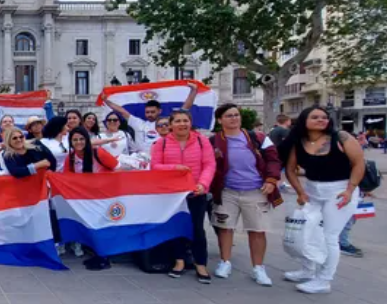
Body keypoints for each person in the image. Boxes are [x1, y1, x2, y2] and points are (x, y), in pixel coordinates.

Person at [280, 105, 365, 294]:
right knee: (307, 232)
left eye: (324, 117)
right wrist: (300, 192)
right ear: (304, 121)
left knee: (329, 236)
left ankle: (324, 280)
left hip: (340, 191)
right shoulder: (298, 141)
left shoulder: (341, 137)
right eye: (315, 117)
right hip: (312, 190)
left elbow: (359, 163)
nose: (321, 120)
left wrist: (350, 190)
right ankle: (308, 270)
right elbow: (290, 169)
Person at [209, 103, 282, 287]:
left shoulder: (258, 137)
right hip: (227, 191)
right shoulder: (214, 141)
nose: (233, 118)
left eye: (236, 115)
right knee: (225, 228)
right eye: (229, 116)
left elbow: (273, 159)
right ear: (220, 120)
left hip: (256, 190)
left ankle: (258, 267)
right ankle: (225, 262)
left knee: (257, 230)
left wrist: (271, 180)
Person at [150, 109, 216, 283]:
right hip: (173, 194)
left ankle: (200, 263)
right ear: (171, 125)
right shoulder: (161, 143)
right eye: (177, 121)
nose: (182, 124)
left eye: (185, 120)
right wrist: (174, 168)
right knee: (177, 228)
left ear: (190, 122)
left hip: (196, 192)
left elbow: (209, 164)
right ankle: (179, 262)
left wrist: (203, 184)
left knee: (197, 229)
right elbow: (155, 166)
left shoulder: (202, 141)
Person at [66, 128, 120, 270]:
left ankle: (104, 256)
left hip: (104, 195)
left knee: (102, 224)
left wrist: (105, 183)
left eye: (81, 139)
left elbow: (118, 168)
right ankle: (98, 253)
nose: (78, 142)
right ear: (70, 142)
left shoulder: (98, 152)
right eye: (75, 140)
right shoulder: (71, 157)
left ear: (87, 140)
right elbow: (66, 178)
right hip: (85, 198)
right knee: (92, 224)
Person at [107, 83, 198, 153]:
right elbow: (122, 111)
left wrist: (193, 91)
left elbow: (184, 109)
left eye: (152, 112)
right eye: (147, 112)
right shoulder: (138, 123)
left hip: (162, 158)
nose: (149, 114)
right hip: (142, 162)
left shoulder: (166, 123)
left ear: (159, 111)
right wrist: (106, 101)